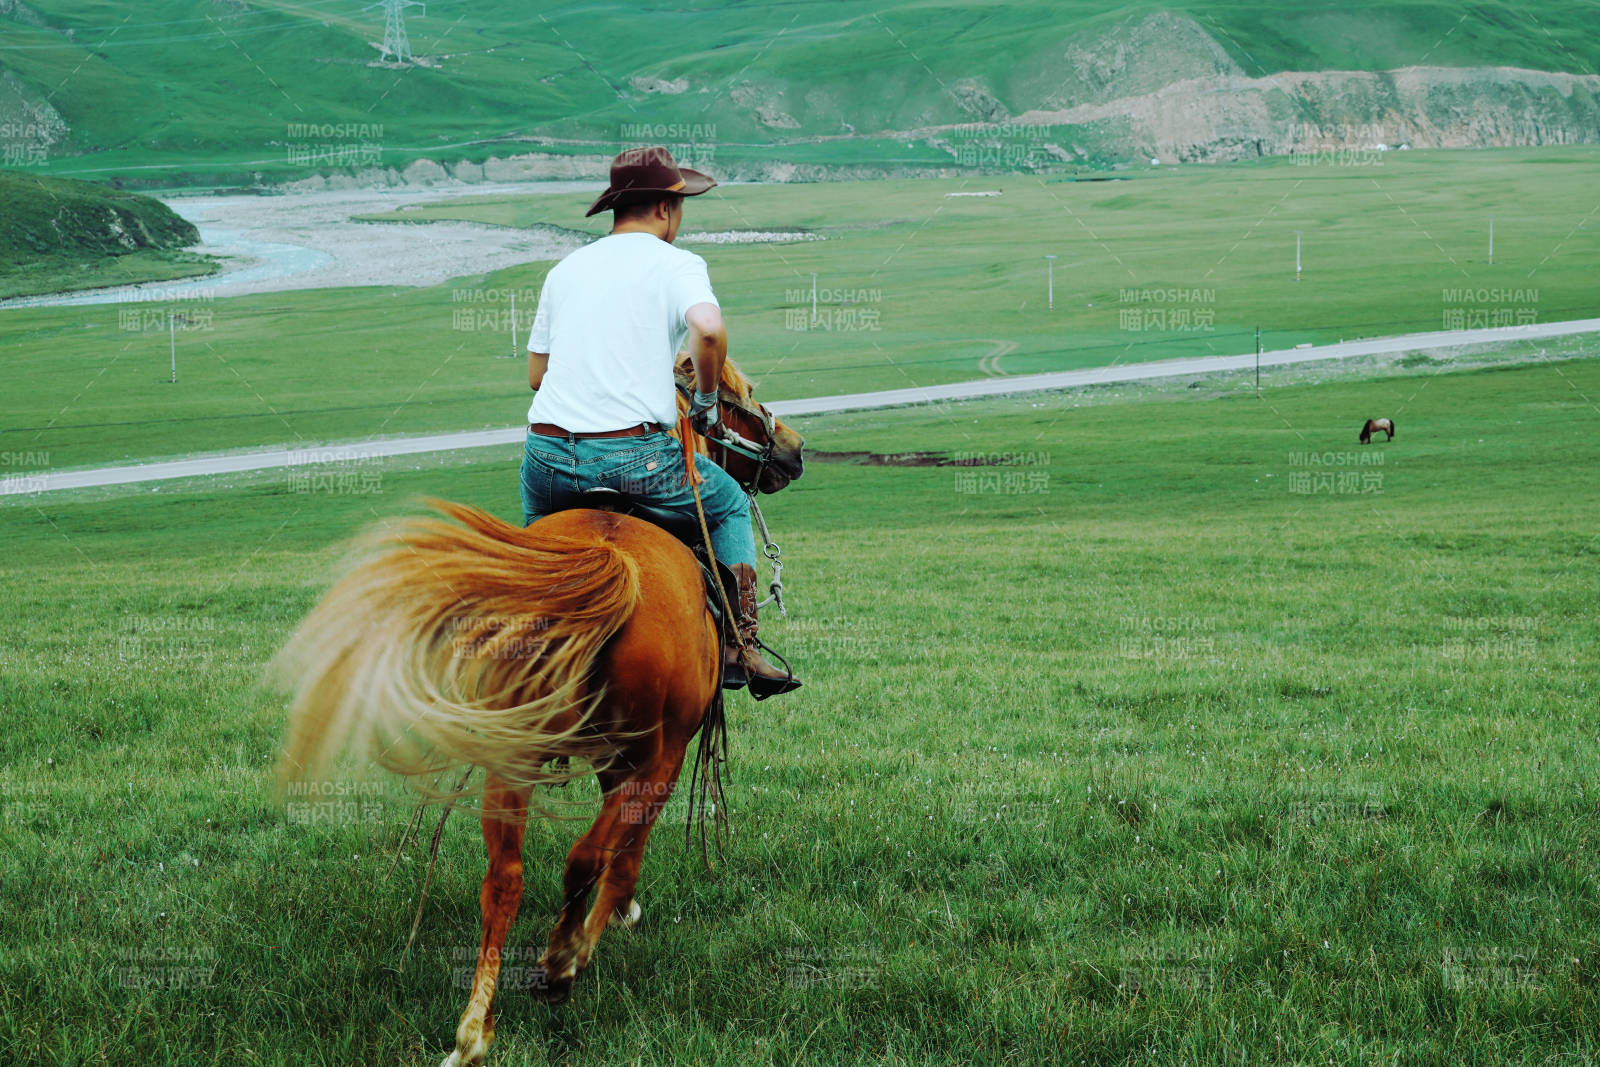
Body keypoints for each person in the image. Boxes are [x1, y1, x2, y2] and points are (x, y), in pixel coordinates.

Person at [519, 145, 800, 698]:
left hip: (546, 458)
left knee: (534, 545)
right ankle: (742, 646)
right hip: (635, 459)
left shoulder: (565, 269)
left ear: (616, 208)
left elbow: (536, 376)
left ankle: (528, 651)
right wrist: (702, 403)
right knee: (726, 504)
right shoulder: (678, 264)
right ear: (667, 208)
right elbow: (710, 332)